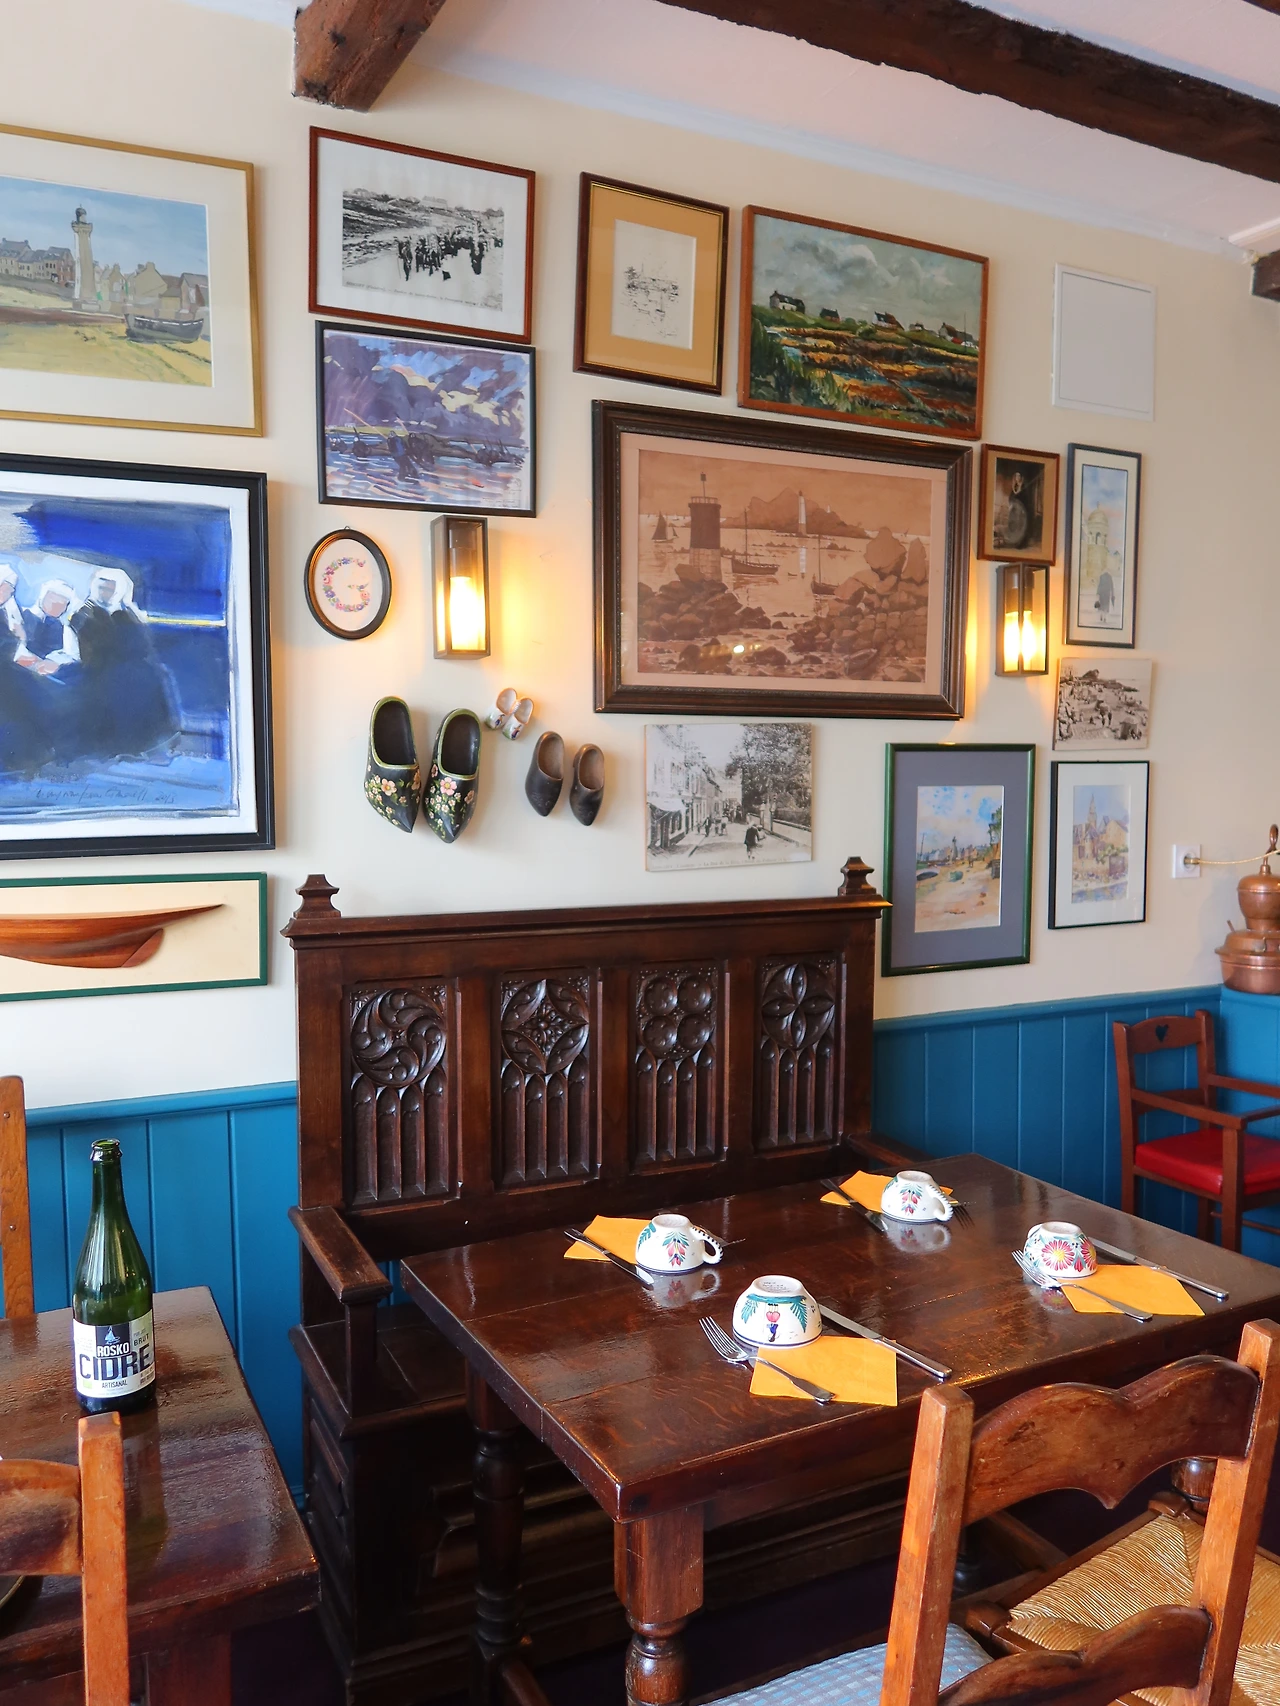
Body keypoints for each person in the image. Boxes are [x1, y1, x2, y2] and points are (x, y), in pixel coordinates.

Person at [72, 570, 178, 761]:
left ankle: (145, 741)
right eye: (102, 588)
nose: (105, 593)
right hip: (100, 667)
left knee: (150, 678)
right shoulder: (85, 613)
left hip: (126, 665)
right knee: (119, 685)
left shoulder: (126, 614)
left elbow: (142, 644)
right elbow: (87, 648)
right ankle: (120, 745)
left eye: (110, 589)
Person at [0, 565, 51, 774]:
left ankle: (28, 755)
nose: (7, 593)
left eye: (10, 590)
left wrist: (33, 660)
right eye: (5, 588)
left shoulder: (7, 613)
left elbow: (14, 648)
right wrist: (16, 640)